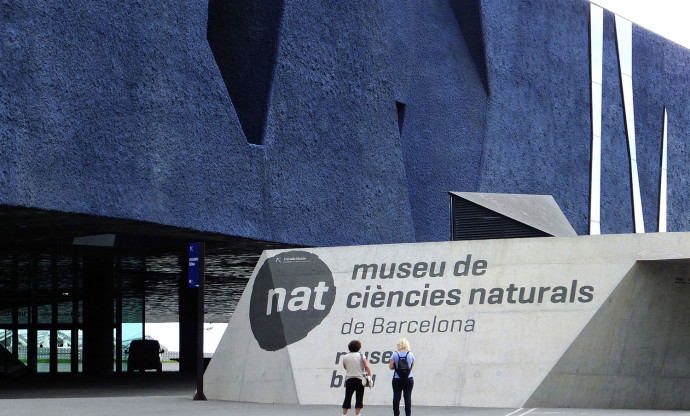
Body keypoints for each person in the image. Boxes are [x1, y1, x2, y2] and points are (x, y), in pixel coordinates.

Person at [342, 339, 371, 416]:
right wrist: (369, 375)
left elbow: (345, 367)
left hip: (349, 379)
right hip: (359, 379)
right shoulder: (361, 355)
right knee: (359, 398)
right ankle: (357, 414)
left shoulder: (345, 356)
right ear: (359, 348)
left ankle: (344, 414)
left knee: (347, 397)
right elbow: (366, 366)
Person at [389, 337, 414, 416]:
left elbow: (391, 367)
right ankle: (408, 414)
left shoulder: (395, 354)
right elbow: (412, 365)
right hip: (408, 378)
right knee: (407, 397)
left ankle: (396, 414)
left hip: (397, 378)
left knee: (396, 397)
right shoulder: (410, 354)